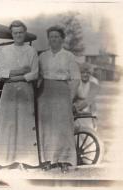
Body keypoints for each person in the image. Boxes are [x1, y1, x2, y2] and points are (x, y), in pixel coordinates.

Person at [0, 20, 39, 170]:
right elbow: (2, 74)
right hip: (9, 92)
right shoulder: (6, 51)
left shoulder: (31, 51)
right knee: (8, 125)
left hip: (26, 90)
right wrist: (21, 71)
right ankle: (5, 161)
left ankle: (24, 160)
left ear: (24, 33)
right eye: (15, 33)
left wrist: (16, 76)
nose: (18, 35)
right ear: (12, 34)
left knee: (24, 124)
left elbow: (34, 74)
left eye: (21, 32)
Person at [37, 26, 80, 173]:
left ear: (62, 39)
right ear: (48, 39)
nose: (53, 39)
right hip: (45, 93)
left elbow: (76, 78)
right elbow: (39, 76)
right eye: (51, 37)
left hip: (62, 92)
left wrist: (70, 97)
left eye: (56, 37)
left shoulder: (69, 56)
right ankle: (47, 160)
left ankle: (64, 160)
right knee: (47, 126)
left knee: (62, 127)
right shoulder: (43, 56)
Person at [73, 63, 100, 130]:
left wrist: (78, 109)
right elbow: (72, 96)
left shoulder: (94, 82)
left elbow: (89, 99)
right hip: (77, 108)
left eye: (87, 73)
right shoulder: (77, 81)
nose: (85, 74)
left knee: (88, 129)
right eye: (82, 72)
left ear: (90, 74)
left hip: (89, 108)